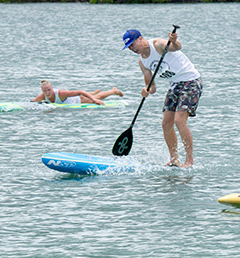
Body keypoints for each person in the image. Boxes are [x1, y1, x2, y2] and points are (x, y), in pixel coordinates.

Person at [122, 28, 202, 168]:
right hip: (175, 84)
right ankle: (174, 159)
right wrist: (147, 90)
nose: (131, 49)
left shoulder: (157, 44)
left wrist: (174, 40)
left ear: (140, 38)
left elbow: (177, 47)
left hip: (191, 81)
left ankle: (189, 160)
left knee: (179, 120)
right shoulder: (143, 62)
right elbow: (151, 86)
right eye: (128, 47)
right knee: (166, 123)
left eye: (132, 44)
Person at [33, 80, 123, 105]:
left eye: (49, 90)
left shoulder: (60, 93)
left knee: (98, 98)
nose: (47, 93)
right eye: (45, 91)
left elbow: (80, 92)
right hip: (75, 99)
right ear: (42, 91)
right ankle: (92, 93)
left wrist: (95, 101)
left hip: (77, 100)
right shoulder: (42, 96)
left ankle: (113, 91)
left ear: (52, 88)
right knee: (93, 96)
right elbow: (31, 103)